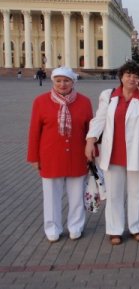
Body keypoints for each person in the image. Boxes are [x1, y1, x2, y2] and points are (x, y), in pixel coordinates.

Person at [85, 61, 139, 246]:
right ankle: (114, 230)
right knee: (114, 194)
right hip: (113, 153)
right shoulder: (109, 95)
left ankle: (136, 228)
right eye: (128, 75)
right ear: (121, 76)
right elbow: (99, 119)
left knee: (136, 193)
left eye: (136, 76)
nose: (131, 79)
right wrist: (90, 140)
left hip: (136, 153)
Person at [27, 67, 92, 242]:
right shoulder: (41, 101)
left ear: (73, 82)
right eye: (58, 81)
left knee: (77, 195)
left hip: (77, 155)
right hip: (50, 156)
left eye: (66, 81)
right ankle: (52, 228)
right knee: (51, 196)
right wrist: (33, 156)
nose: (62, 84)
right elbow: (34, 131)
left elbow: (90, 131)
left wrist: (92, 153)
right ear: (53, 82)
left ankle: (75, 226)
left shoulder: (84, 102)